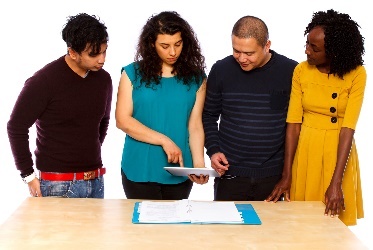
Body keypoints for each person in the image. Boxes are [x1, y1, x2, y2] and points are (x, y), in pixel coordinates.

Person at [266, 9, 366, 226]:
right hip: (306, 151)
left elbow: (348, 127)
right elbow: (293, 124)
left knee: (334, 227)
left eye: (314, 48)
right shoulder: (301, 71)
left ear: (334, 52)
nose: (307, 51)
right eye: (307, 43)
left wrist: (336, 182)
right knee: (300, 224)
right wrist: (286, 174)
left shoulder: (357, 74)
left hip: (338, 155)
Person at [7, 13, 112, 198]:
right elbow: (16, 126)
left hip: (96, 180)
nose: (101, 59)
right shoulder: (43, 81)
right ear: (72, 52)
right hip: (58, 184)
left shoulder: (104, 79)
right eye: (93, 54)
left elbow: (103, 121)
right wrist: (28, 175)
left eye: (104, 51)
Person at [203, 15, 297, 201]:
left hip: (274, 178)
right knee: (227, 230)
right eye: (236, 51)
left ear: (267, 45)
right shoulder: (221, 70)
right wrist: (213, 150)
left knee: (272, 230)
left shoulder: (291, 71)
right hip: (230, 175)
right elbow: (208, 115)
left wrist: (287, 174)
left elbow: (294, 125)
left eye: (249, 53)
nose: (242, 58)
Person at [115, 11, 208, 200]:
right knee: (143, 227)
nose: (172, 52)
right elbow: (123, 120)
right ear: (151, 44)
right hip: (139, 168)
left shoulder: (197, 78)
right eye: (165, 46)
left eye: (178, 44)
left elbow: (195, 125)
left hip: (180, 170)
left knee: (175, 228)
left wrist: (199, 163)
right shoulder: (132, 73)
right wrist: (165, 141)